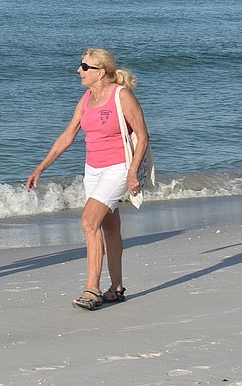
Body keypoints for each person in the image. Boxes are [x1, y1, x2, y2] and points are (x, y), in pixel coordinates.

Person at [26, 48, 149, 310]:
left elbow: (143, 136)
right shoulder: (86, 98)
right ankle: (116, 288)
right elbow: (67, 136)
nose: (78, 70)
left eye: (84, 66)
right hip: (92, 169)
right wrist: (41, 167)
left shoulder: (121, 95)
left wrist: (132, 171)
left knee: (88, 222)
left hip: (118, 167)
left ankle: (91, 288)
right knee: (110, 227)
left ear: (100, 72)